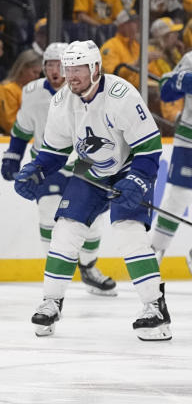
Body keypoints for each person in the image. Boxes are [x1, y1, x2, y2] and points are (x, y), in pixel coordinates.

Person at [13, 41, 170, 340]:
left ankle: (155, 308)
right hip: (91, 171)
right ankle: (51, 302)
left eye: (78, 69)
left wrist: (137, 180)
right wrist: (37, 169)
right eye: (67, 69)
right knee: (65, 228)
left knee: (129, 231)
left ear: (95, 68)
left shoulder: (121, 96)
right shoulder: (61, 102)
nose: (71, 75)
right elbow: (54, 151)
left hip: (129, 168)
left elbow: (149, 149)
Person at [1, 42, 118, 296]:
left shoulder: (90, 90)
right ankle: (54, 269)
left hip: (84, 164)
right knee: (47, 211)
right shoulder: (31, 92)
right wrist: (12, 155)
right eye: (49, 65)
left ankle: (88, 267)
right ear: (42, 67)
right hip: (49, 163)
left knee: (94, 222)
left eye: (60, 65)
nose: (55, 71)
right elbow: (22, 128)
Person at [151, 48, 192, 263]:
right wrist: (186, 81)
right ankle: (155, 249)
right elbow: (166, 91)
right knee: (179, 197)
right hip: (190, 140)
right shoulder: (190, 59)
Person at [0, 49, 43, 133]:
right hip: (8, 140)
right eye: (34, 72)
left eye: (39, 73)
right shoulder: (7, 89)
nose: (37, 76)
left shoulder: (34, 90)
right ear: (23, 68)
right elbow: (9, 123)